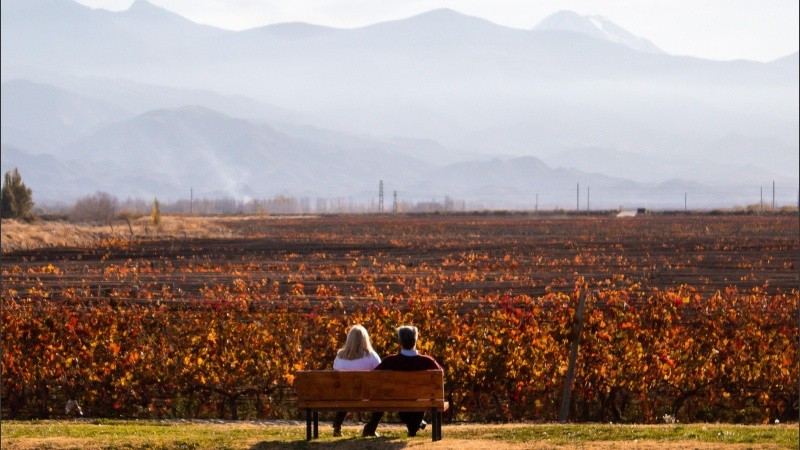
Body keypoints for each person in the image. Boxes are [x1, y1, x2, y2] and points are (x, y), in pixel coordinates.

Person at [362, 325, 443, 437]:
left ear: (399, 342)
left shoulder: (390, 361)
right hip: (419, 404)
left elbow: (373, 378)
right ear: (416, 340)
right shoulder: (427, 361)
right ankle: (415, 426)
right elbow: (440, 376)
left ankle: (372, 427)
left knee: (382, 393)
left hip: (396, 401)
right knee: (416, 397)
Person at [331, 324, 382, 437]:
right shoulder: (372, 356)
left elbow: (335, 376)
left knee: (346, 391)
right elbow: (380, 377)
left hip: (344, 397)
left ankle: (337, 426)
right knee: (382, 398)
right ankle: (371, 428)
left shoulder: (339, 356)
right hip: (367, 397)